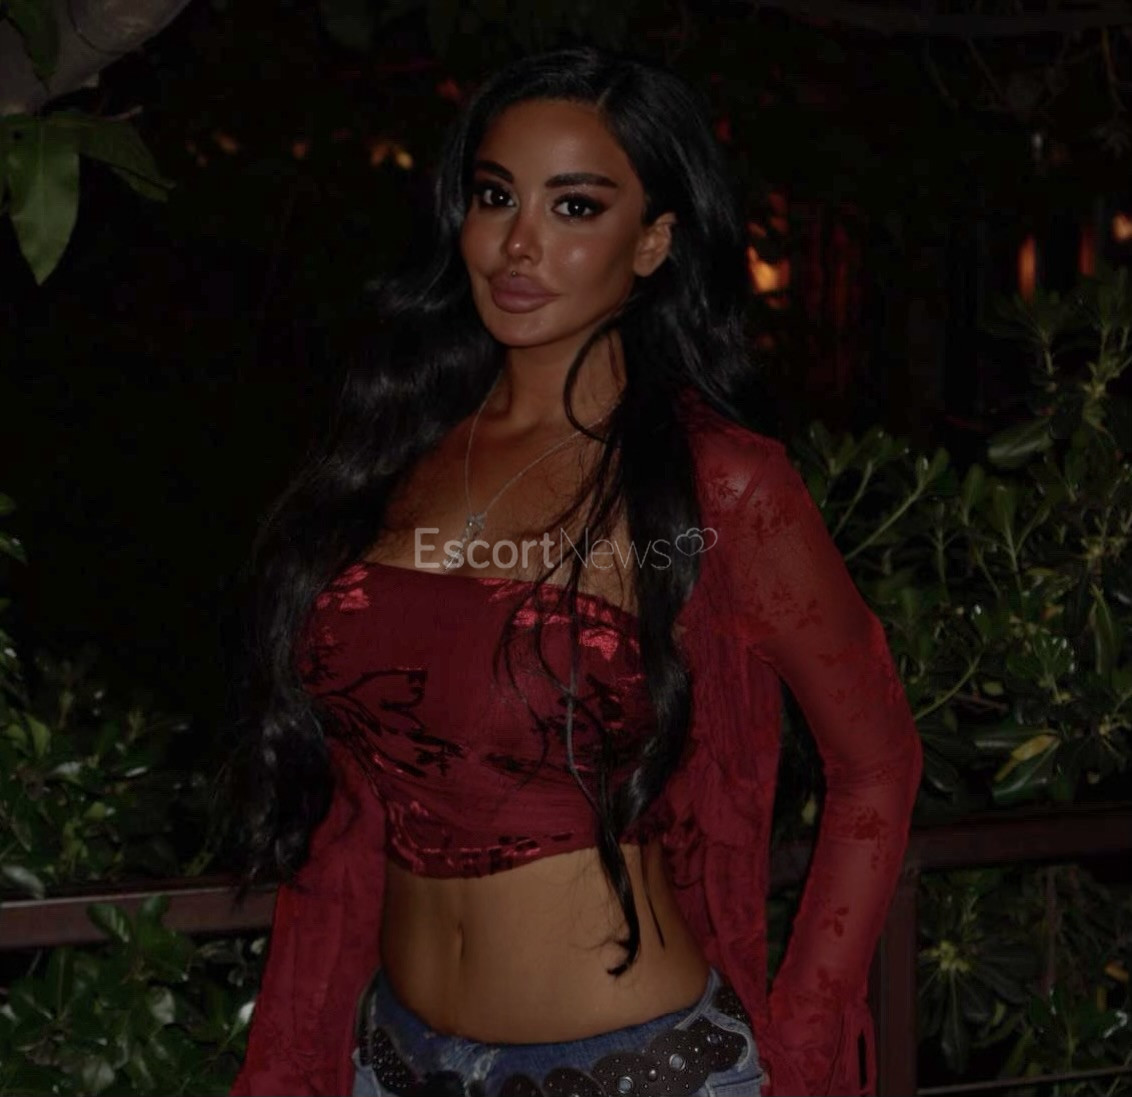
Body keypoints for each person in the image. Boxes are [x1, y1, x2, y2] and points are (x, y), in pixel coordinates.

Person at [229, 47, 922, 1097]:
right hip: (389, 1059)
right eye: (495, 196)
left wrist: (806, 1031)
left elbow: (876, 761)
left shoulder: (717, 487)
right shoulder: (393, 448)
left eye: (575, 207)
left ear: (652, 242)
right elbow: (352, 791)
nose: (519, 244)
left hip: (631, 1066)